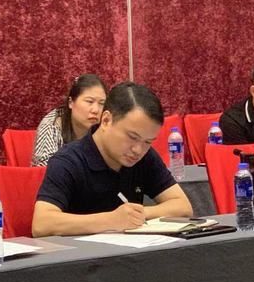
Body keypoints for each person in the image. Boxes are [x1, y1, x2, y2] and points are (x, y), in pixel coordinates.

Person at [32, 82, 192, 237]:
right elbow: (41, 224)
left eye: (148, 142)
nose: (138, 150)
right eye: (132, 137)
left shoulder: (145, 157)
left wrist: (139, 214)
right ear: (106, 120)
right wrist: (110, 220)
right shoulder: (68, 161)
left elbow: (183, 206)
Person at [32, 74, 107, 166]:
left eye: (102, 103)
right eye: (89, 101)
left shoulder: (107, 124)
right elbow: (45, 170)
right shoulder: (51, 127)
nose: (96, 110)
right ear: (71, 102)